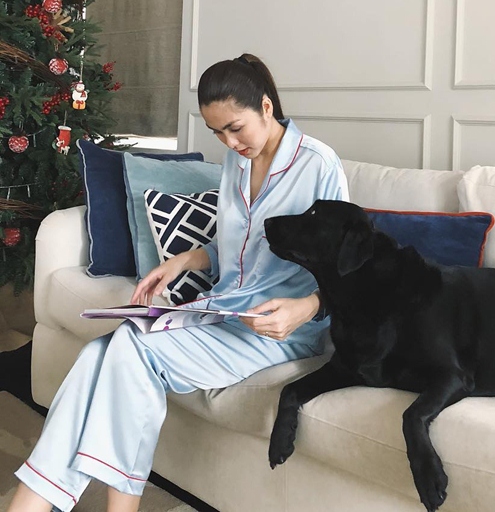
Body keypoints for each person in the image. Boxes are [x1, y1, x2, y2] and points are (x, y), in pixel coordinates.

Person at [10, 53, 349, 512]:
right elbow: (238, 246)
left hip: (279, 330)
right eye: (217, 133)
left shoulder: (318, 165)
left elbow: (349, 267)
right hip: (222, 309)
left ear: (266, 107)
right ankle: (34, 502)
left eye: (236, 128)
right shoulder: (237, 163)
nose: (229, 142)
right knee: (99, 352)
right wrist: (184, 261)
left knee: (129, 349)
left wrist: (308, 307)